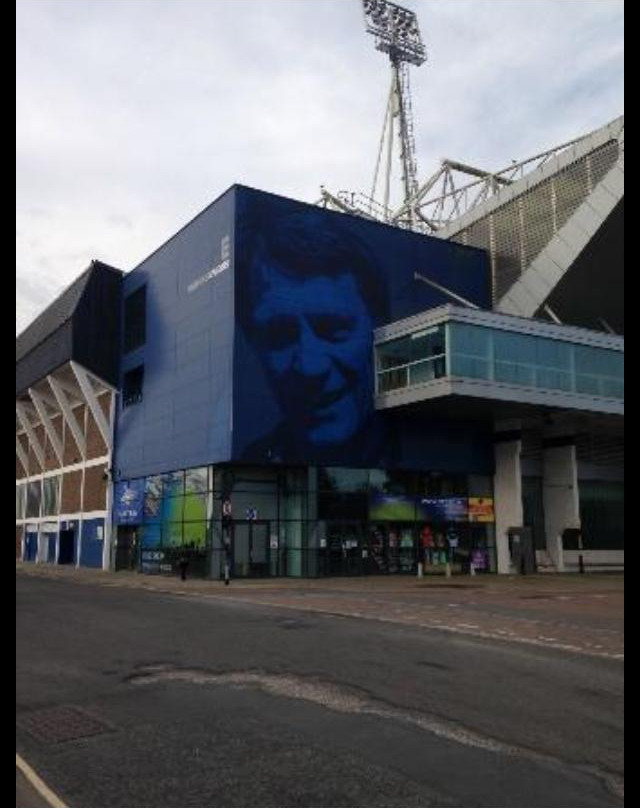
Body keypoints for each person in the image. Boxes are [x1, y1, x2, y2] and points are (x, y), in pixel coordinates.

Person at [237, 205, 393, 465]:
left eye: (334, 329)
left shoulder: (435, 452)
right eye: (280, 335)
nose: (311, 367)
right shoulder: (251, 459)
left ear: (378, 328)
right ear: (253, 343)